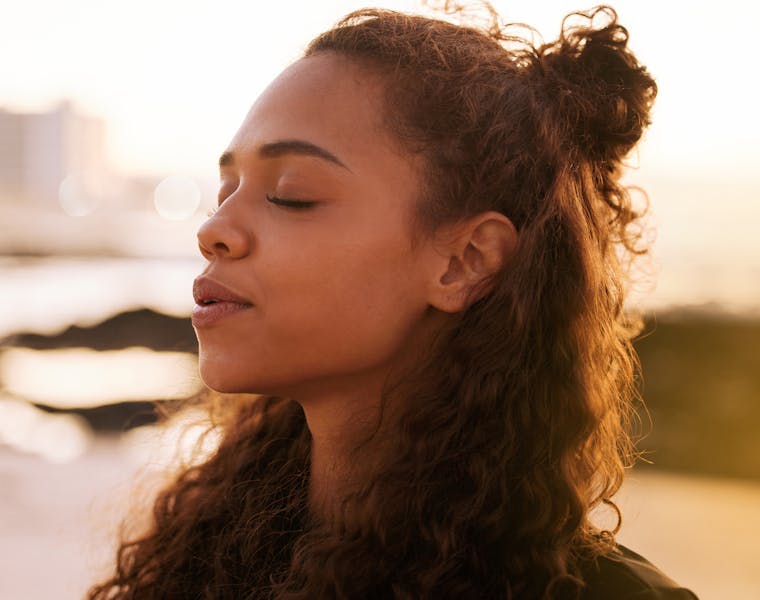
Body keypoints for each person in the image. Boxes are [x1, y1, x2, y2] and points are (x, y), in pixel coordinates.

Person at [89, 5, 699, 599]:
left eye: (291, 194)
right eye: (226, 191)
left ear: (466, 261)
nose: (213, 229)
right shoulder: (211, 555)